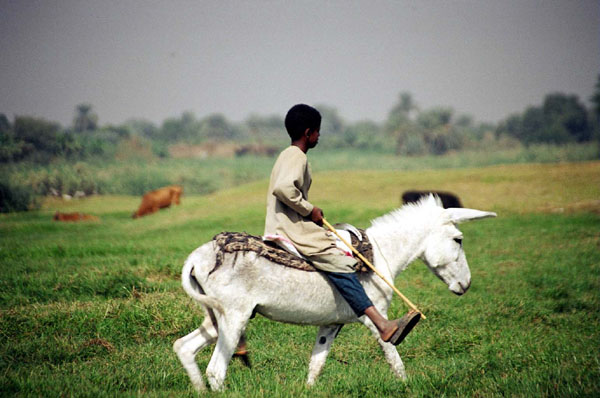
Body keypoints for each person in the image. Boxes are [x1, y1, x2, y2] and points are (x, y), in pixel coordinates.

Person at [264, 103, 419, 345]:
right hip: (291, 228)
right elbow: (283, 189)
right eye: (317, 131)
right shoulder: (297, 157)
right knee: (340, 263)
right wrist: (310, 209)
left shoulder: (286, 154)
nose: (319, 136)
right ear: (308, 133)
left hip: (288, 223)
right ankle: (382, 325)